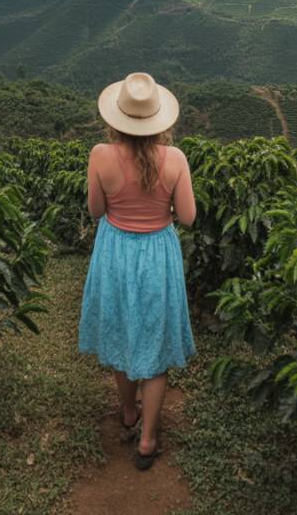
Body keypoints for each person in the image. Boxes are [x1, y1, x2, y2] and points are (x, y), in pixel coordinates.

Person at [78, 72, 197, 471]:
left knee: (122, 331)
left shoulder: (100, 155)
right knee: (155, 344)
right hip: (157, 253)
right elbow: (189, 217)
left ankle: (128, 414)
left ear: (116, 118)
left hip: (115, 251)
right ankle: (147, 440)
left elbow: (96, 211)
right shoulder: (176, 159)